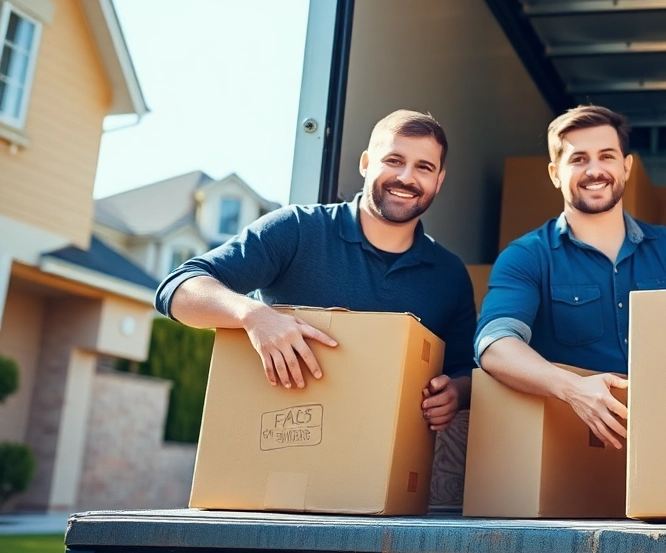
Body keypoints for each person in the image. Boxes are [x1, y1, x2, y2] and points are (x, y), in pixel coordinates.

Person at [155, 110, 476, 432]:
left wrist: (456, 394)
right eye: (394, 160)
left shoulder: (449, 275)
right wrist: (253, 315)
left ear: (439, 180)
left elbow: (466, 369)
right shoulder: (297, 229)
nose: (406, 177)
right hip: (278, 440)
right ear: (366, 163)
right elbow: (177, 289)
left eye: (424, 167)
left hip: (383, 454)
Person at [475, 105, 666, 448]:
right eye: (579, 159)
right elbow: (495, 345)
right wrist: (574, 389)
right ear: (555, 173)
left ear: (626, 166)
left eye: (606, 156)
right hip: (573, 446)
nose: (594, 170)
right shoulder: (527, 256)